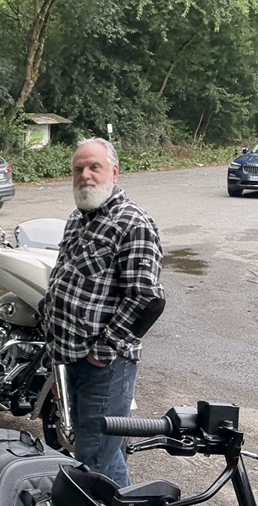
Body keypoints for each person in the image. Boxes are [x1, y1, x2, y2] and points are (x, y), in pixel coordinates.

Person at [42, 138, 165, 486]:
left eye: (94, 167)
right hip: (71, 357)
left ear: (114, 172)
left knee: (95, 458)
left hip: (105, 367)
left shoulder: (133, 223)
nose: (85, 175)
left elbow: (147, 298)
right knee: (97, 452)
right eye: (78, 169)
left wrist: (102, 351)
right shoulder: (78, 219)